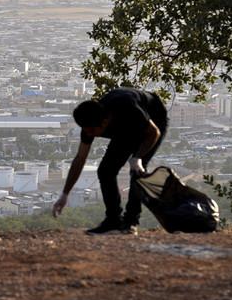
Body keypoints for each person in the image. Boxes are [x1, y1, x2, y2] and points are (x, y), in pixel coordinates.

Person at [52, 87, 168, 235]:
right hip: (124, 128)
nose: (89, 135)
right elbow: (80, 159)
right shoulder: (90, 122)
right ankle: (113, 221)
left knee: (137, 170)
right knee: (106, 171)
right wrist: (65, 194)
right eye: (86, 131)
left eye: (93, 131)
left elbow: (154, 133)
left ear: (105, 122)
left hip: (152, 121)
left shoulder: (129, 108)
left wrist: (138, 157)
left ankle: (131, 222)